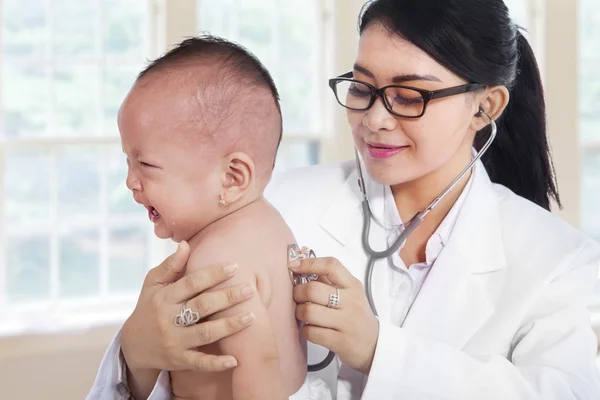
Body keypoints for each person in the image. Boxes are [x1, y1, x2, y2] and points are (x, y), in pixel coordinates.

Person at [88, 0, 600, 399]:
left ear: (485, 106)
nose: (374, 118)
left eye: (408, 95)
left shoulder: (559, 260)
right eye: (362, 87)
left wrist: (377, 350)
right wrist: (135, 355)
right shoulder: (262, 208)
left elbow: (567, 393)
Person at [87, 36, 331, 400]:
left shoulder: (216, 260)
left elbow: (261, 359)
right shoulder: (271, 225)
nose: (130, 181)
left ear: (232, 178)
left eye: (147, 165)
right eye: (128, 161)